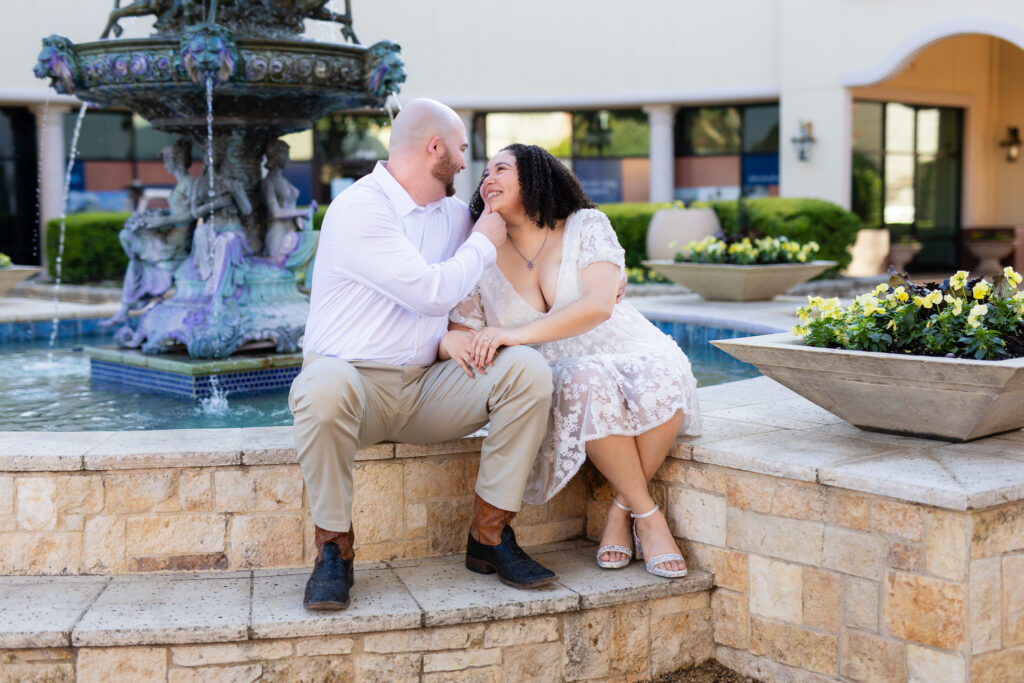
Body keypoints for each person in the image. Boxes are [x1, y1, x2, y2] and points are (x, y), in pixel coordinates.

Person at [289, 99, 558, 611]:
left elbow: (533, 232)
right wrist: (480, 242)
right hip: (353, 390)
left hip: (426, 387)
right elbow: (431, 292)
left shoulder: (455, 215)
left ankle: (490, 535)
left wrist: (598, 271)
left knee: (526, 370)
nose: (465, 163)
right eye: (459, 149)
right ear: (433, 148)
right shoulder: (360, 208)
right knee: (322, 386)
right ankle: (334, 551)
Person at [448, 144, 702, 578]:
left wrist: (513, 334)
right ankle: (649, 515)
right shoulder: (479, 250)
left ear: (536, 177)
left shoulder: (586, 225)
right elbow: (461, 333)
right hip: (552, 366)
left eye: (502, 169)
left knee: (666, 370)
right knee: (585, 379)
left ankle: (624, 510)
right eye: (485, 172)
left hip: (619, 339)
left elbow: (600, 305)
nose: (488, 178)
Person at [102, 138, 197, 328]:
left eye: (167, 160)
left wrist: (163, 220)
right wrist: (152, 216)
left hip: (177, 243)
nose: (165, 164)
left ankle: (125, 309)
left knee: (130, 243)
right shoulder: (181, 184)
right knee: (129, 239)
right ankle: (124, 309)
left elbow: (193, 214)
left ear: (177, 161)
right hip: (169, 236)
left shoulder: (191, 183)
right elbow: (177, 212)